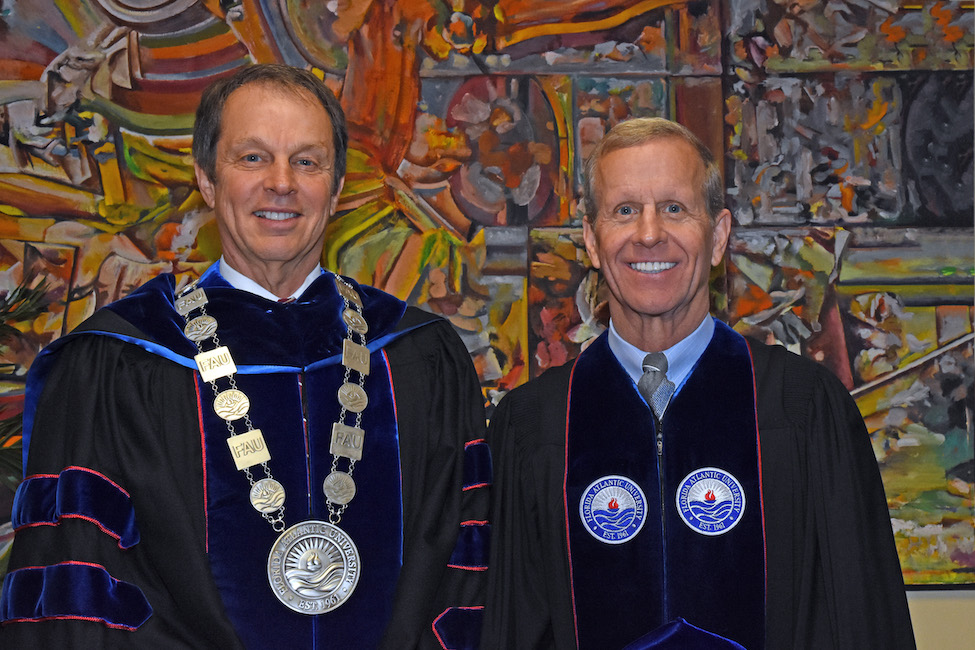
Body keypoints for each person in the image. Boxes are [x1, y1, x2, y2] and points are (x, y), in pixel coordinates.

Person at [0, 64, 489, 649]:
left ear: (336, 189)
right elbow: (81, 592)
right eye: (252, 158)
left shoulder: (418, 354)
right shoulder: (117, 364)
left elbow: (467, 572)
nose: (281, 183)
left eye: (307, 161)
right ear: (207, 180)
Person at [480, 117, 915, 649]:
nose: (648, 233)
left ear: (718, 236)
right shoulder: (532, 425)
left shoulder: (803, 408)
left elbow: (861, 619)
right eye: (624, 211)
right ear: (592, 242)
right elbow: (510, 629)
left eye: (674, 208)